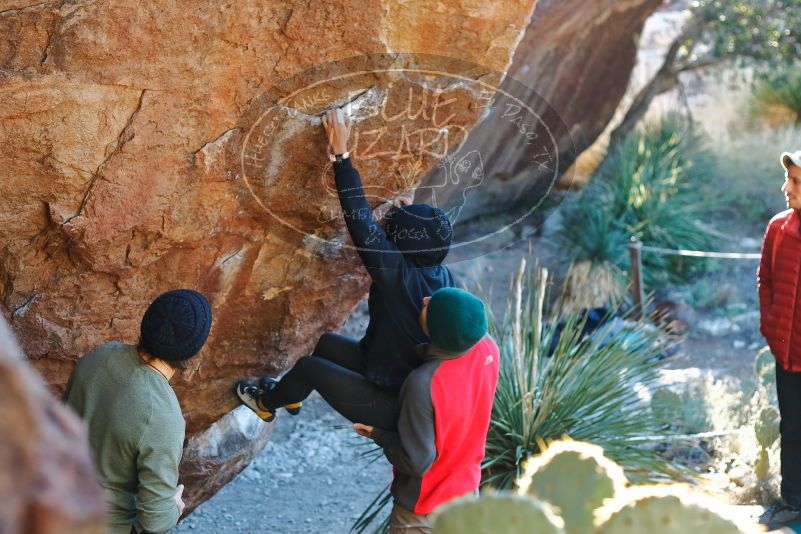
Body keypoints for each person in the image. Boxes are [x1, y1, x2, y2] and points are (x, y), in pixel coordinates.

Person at [236, 108, 456, 430]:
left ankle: (265, 404)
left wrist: (341, 154)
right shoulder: (439, 274)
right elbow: (419, 240)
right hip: (382, 363)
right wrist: (409, 219)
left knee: (311, 367)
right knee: (326, 344)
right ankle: (292, 394)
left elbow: (359, 218)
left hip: (388, 401)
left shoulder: (398, 277)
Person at [64, 289, 212, 534]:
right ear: (192, 351)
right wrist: (174, 506)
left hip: (52, 503)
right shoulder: (163, 415)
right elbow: (155, 521)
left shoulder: (100, 355)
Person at [353, 287, 499, 534]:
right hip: (467, 496)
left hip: (424, 512)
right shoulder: (488, 349)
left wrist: (378, 434)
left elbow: (416, 460)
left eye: (428, 307)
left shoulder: (423, 383)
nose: (425, 299)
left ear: (435, 332)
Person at [758, 150, 801, 529]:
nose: (785, 187)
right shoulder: (778, 227)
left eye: (796, 181)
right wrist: (771, 327)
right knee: (792, 427)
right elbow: (766, 281)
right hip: (787, 355)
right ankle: (792, 503)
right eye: (788, 179)